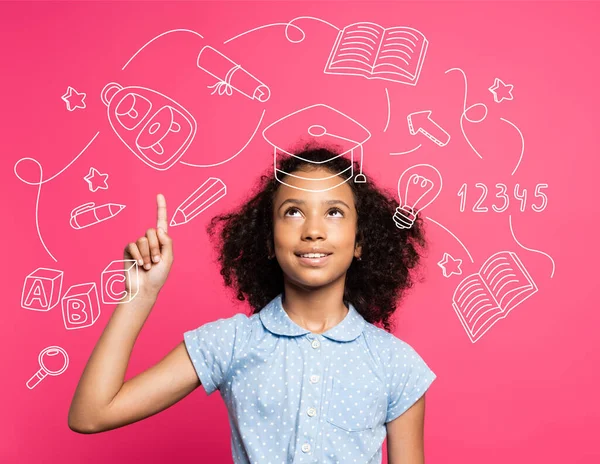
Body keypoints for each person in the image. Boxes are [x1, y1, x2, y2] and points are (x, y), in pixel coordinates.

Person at [68, 145, 437, 464]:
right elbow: (91, 414)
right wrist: (141, 293)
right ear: (267, 240)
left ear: (360, 242)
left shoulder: (396, 364)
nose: (313, 229)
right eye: (293, 211)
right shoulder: (230, 343)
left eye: (334, 212)